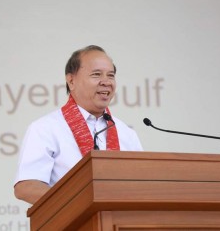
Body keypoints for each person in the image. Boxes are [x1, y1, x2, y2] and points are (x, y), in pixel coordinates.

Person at [13, 45, 143, 204]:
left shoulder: (126, 133)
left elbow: (141, 185)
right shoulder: (45, 128)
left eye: (111, 75)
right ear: (71, 81)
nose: (106, 82)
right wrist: (79, 204)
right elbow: (27, 186)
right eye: (96, 75)